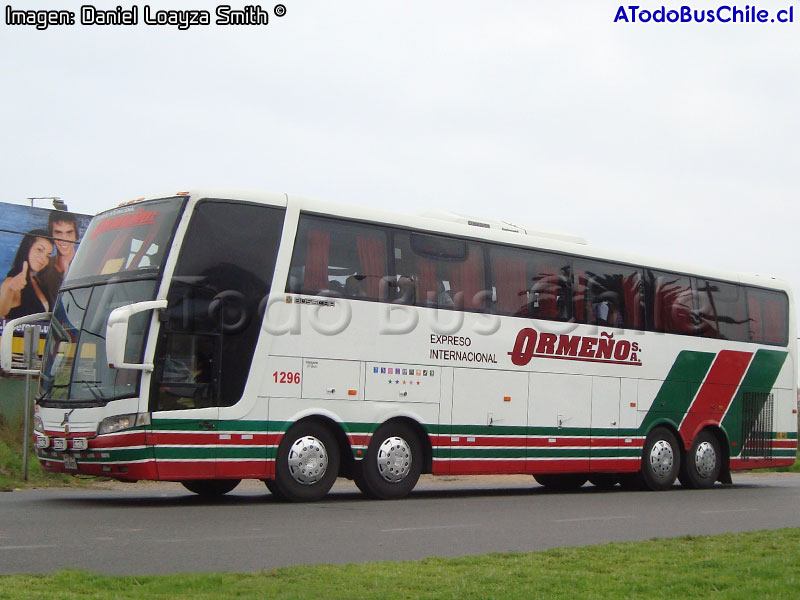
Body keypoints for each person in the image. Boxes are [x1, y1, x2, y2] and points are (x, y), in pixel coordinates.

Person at [0, 229, 54, 320]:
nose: (43, 259)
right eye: (40, 250)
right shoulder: (14, 279)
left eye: (48, 255)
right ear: (27, 247)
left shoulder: (36, 280)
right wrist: (9, 289)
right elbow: (2, 311)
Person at [36, 211, 80, 307]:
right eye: (58, 232)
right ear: (51, 235)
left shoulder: (87, 264)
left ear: (76, 236)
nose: (63, 238)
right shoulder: (42, 269)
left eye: (69, 233)